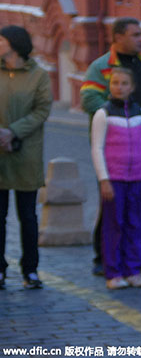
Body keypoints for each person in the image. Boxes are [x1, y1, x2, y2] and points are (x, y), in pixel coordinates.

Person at [80, 17, 141, 275]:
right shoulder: (101, 66)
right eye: (136, 35)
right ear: (119, 37)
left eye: (140, 34)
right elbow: (89, 98)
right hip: (116, 149)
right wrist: (116, 114)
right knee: (112, 203)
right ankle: (103, 257)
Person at [90, 67, 141, 290]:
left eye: (124, 83)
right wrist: (104, 179)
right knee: (113, 225)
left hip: (136, 178)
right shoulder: (104, 113)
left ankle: (133, 270)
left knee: (135, 224)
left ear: (132, 87)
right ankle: (113, 272)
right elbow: (97, 148)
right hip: (114, 179)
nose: (119, 87)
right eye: (115, 83)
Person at [0, 25, 52, 290]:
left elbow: (42, 110)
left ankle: (30, 270)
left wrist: (13, 132)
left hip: (26, 154)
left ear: (15, 44)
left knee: (28, 217)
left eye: (2, 40)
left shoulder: (38, 76)